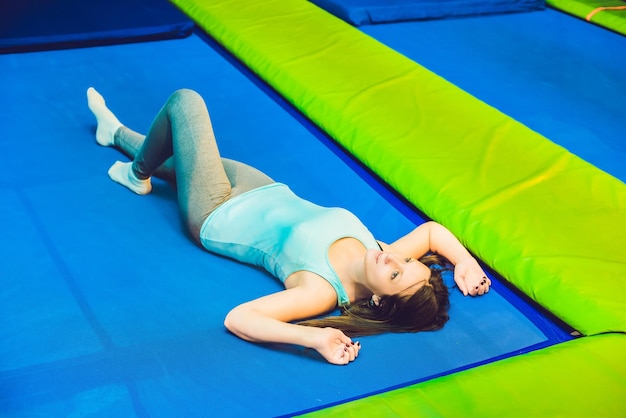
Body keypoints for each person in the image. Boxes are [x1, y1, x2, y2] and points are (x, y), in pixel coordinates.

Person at [87, 87, 491, 365]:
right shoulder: (378, 253)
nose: (394, 256)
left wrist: (312, 337)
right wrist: (463, 262)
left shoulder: (320, 291)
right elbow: (433, 233)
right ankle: (116, 133)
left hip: (216, 211)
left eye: (397, 271)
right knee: (180, 150)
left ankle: (136, 175)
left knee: (186, 105)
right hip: (260, 187)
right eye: (404, 258)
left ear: (381, 301)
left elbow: (239, 319)